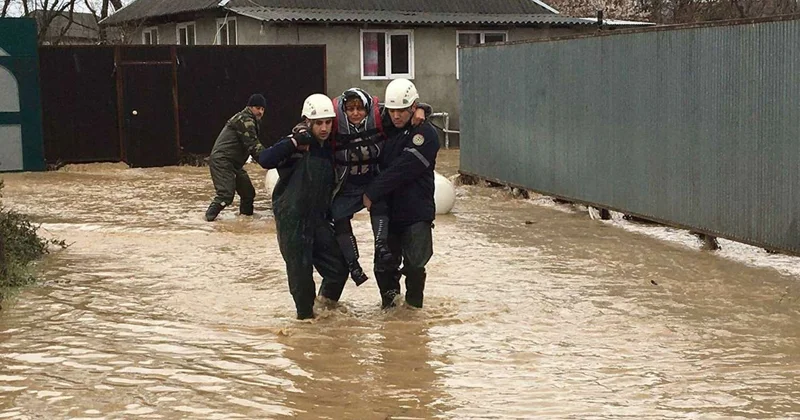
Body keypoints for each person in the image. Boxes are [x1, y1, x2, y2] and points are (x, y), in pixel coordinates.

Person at [256, 93, 350, 320]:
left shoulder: (331, 146)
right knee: (300, 276)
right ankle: (306, 322)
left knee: (339, 268)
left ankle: (325, 309)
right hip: (292, 220)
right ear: (308, 122)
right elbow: (265, 159)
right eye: (319, 123)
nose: (325, 128)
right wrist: (294, 142)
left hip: (318, 220)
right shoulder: (295, 145)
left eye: (328, 122)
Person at [327, 88, 429, 286]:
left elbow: (404, 110)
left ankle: (381, 245)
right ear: (343, 110)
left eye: (360, 109)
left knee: (380, 203)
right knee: (338, 216)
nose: (356, 113)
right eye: (350, 109)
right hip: (346, 185)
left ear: (367, 109)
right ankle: (353, 264)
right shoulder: (332, 124)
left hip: (371, 182)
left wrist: (423, 108)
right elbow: (309, 124)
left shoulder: (381, 118)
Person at [362, 79, 440, 309]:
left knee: (415, 265)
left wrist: (372, 192)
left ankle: (414, 309)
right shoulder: (382, 126)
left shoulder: (426, 134)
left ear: (413, 107)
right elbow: (352, 112)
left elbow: (403, 168)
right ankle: (391, 312)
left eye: (402, 111)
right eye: (392, 110)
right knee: (384, 266)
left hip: (416, 212)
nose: (396, 116)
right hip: (386, 211)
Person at [205, 94, 267, 222]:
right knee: (225, 195)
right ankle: (207, 221)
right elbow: (254, 146)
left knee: (248, 193)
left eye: (262, 109)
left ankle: (245, 221)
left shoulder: (251, 120)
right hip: (222, 161)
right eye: (257, 108)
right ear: (249, 107)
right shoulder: (245, 120)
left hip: (234, 164)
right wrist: (270, 160)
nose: (260, 112)